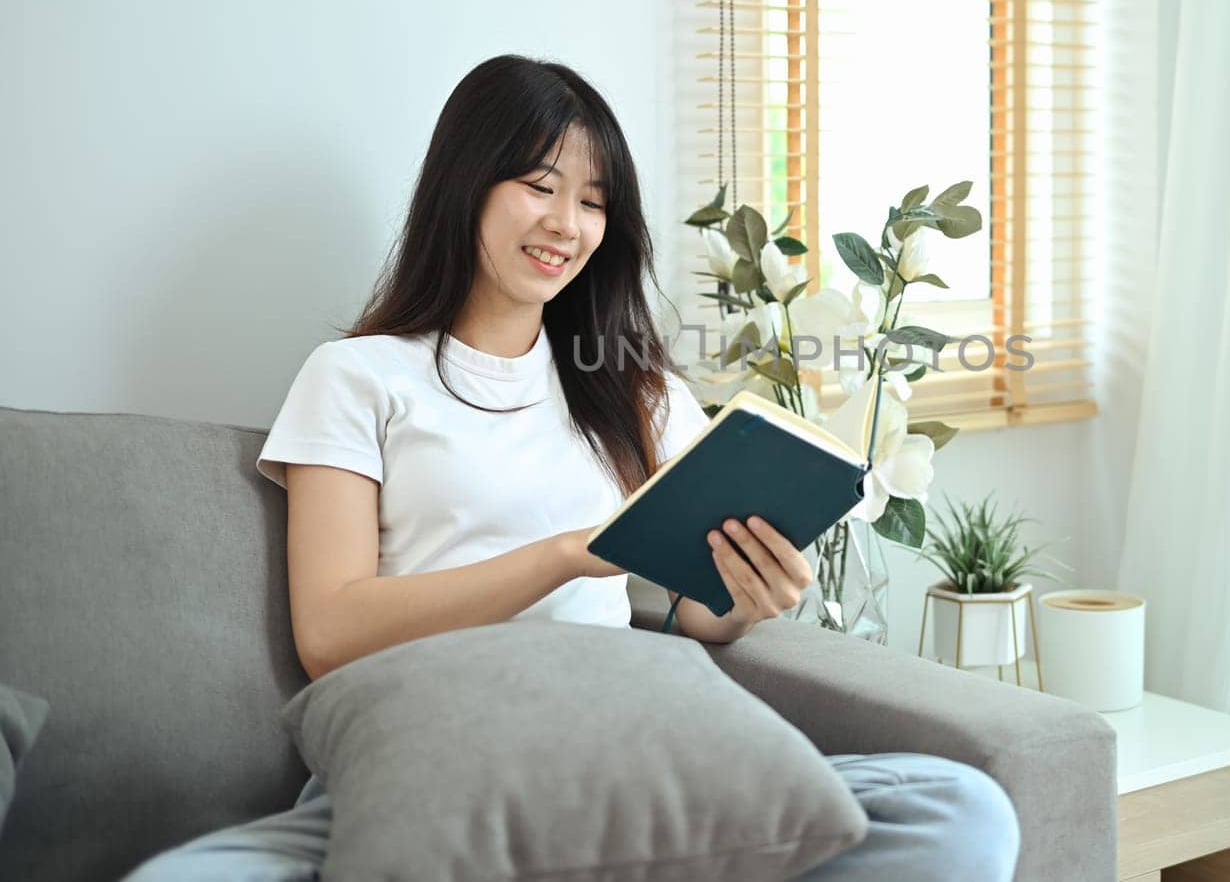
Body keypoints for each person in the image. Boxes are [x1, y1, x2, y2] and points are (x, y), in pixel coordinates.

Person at [123, 55, 1021, 881]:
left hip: (618, 738)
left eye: (593, 200)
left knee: (960, 808)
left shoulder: (638, 392)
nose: (567, 222)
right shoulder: (358, 377)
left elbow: (692, 612)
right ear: (465, 186)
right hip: (422, 754)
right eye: (538, 185)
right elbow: (331, 630)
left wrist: (741, 599)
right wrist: (563, 554)